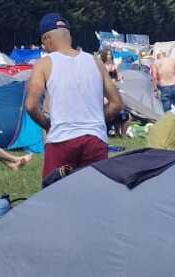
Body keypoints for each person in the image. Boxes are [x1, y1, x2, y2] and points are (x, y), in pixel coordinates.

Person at [25, 12, 122, 185]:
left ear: (47, 39)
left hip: (61, 139)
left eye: (42, 43)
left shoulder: (44, 64)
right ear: (69, 36)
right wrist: (97, 120)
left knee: (53, 196)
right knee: (94, 196)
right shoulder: (95, 62)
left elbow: (31, 106)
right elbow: (116, 104)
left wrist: (48, 124)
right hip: (95, 139)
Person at [152, 47, 175, 112]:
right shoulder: (173, 61)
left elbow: (154, 77)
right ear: (165, 54)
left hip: (164, 87)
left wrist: (155, 90)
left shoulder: (155, 63)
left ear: (157, 55)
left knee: (167, 112)